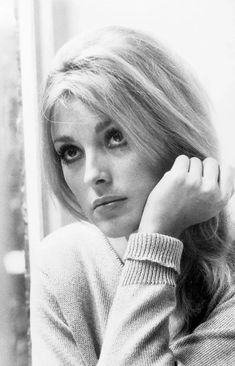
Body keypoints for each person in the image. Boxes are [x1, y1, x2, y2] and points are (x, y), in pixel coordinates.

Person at [31, 26, 235, 365]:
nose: (92, 174)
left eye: (114, 137)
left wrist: (155, 237)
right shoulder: (65, 264)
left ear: (172, 133)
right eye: (70, 152)